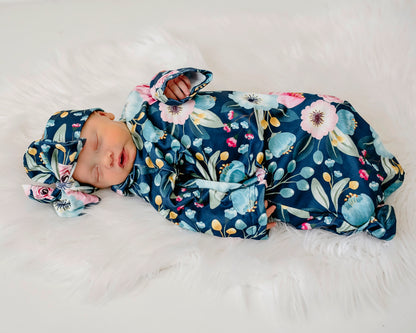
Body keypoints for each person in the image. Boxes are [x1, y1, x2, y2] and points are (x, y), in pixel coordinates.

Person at [23, 67, 405, 240]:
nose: (106, 159)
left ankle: (371, 160)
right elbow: (190, 208)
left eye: (96, 143)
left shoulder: (142, 100)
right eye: (95, 172)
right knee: (314, 180)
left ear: (104, 115)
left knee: (324, 115)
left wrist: (175, 83)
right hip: (261, 163)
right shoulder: (148, 181)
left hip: (265, 116)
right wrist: (245, 211)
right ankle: (366, 202)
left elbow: (176, 80)